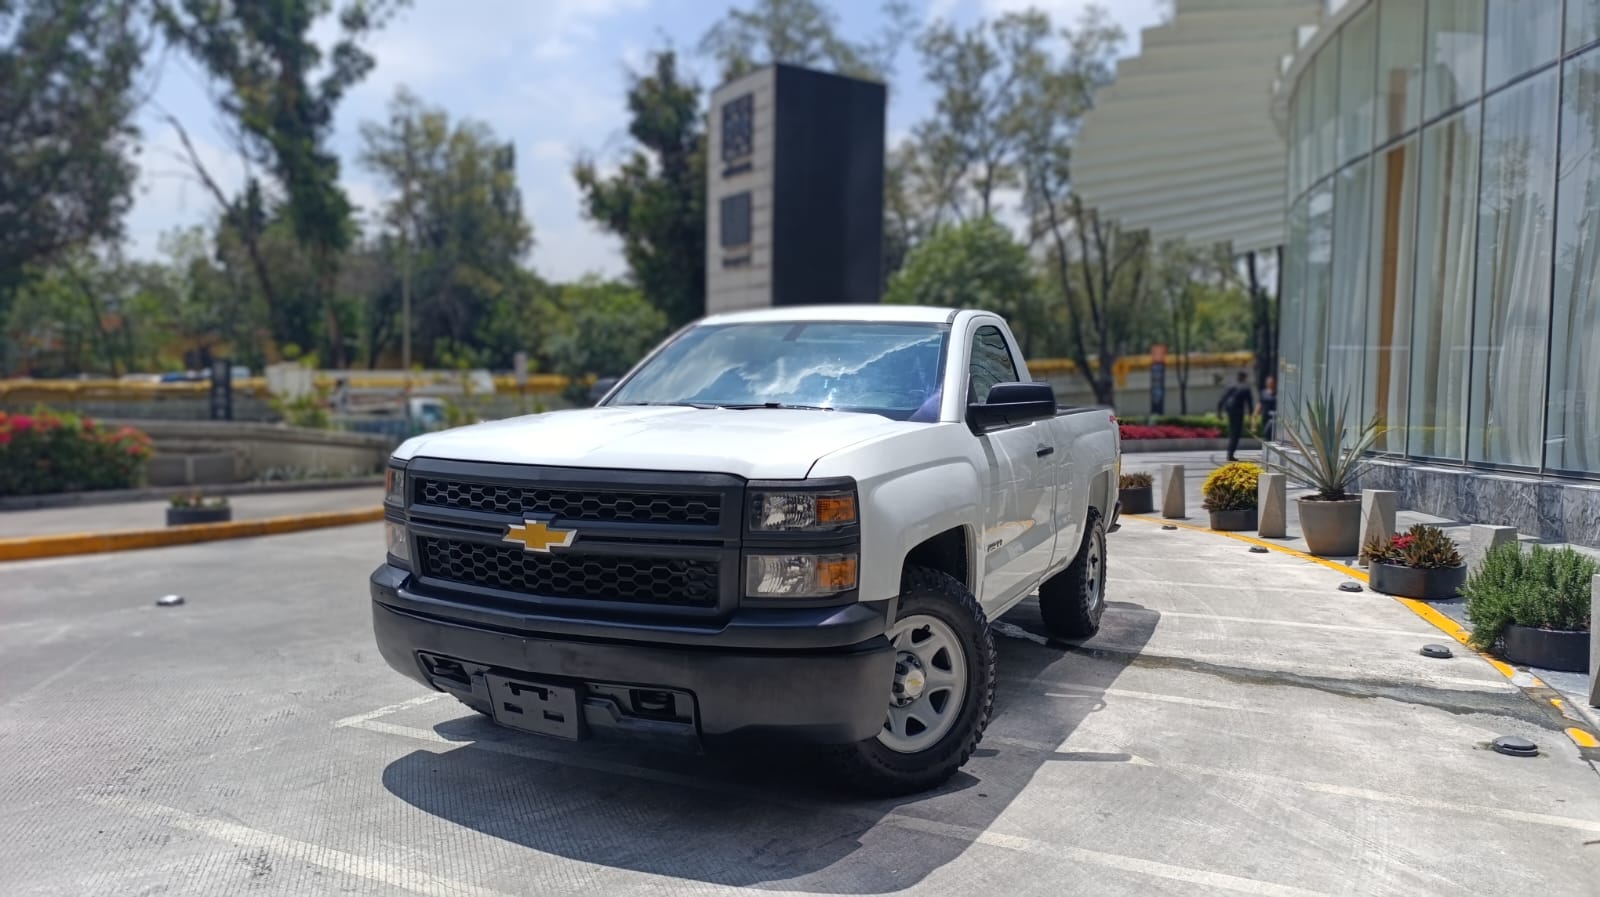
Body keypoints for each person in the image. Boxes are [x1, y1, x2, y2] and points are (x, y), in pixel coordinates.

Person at [1218, 371, 1253, 462]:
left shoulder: (1230, 386)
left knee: (1233, 432)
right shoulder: (1245, 387)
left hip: (1230, 411)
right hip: (1238, 412)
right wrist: (1251, 417)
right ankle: (1230, 454)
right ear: (1244, 378)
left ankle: (1230, 454)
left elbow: (1221, 399)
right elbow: (1249, 403)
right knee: (1236, 434)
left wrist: (1219, 413)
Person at [1257, 375, 1277, 442]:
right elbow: (1260, 403)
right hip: (1265, 416)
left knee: (1269, 431)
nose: (1270, 384)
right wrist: (1255, 414)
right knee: (1266, 431)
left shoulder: (1277, 393)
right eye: (1269, 382)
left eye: (1272, 382)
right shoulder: (1263, 393)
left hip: (1274, 416)